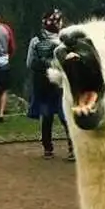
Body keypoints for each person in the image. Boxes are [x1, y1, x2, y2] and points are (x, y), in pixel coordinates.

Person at [27, 9, 74, 160]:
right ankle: (73, 148)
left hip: (42, 82)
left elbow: (29, 63)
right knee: (65, 115)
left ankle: (48, 149)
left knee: (46, 115)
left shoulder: (36, 40)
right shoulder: (65, 40)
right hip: (61, 82)